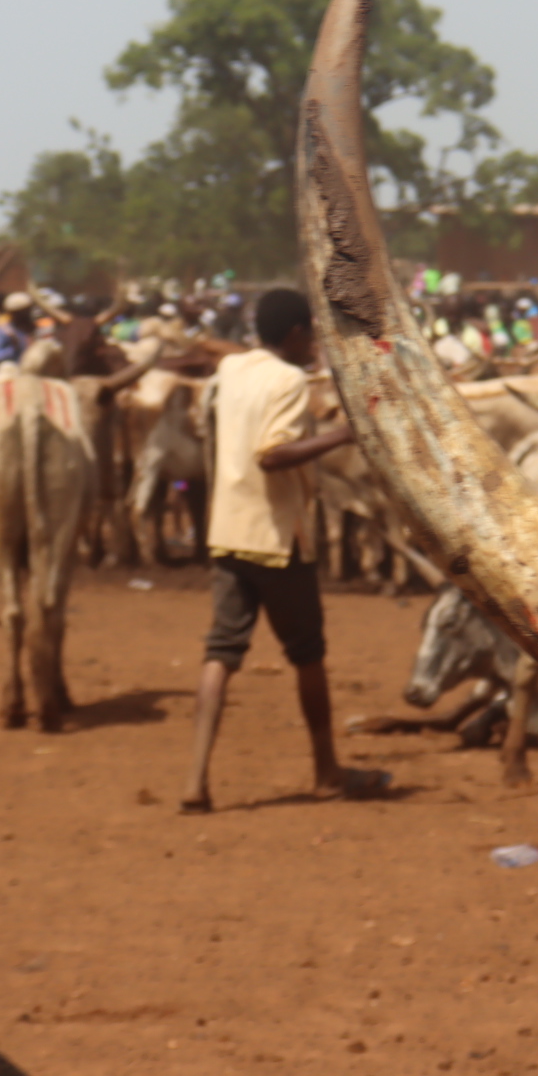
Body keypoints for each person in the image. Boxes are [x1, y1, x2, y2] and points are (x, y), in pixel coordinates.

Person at [181, 289, 382, 810]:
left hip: (227, 531)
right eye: (311, 334)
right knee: (307, 654)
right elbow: (272, 456)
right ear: (294, 334)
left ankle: (195, 781)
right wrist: (346, 433)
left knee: (220, 653)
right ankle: (326, 771)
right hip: (275, 537)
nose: (314, 343)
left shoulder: (233, 369)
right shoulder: (288, 380)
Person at [0, 293, 38, 376]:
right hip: (3, 380)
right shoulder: (0, 332)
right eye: (23, 312)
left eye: (28, 310)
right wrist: (14, 348)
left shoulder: (30, 330)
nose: (27, 314)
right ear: (13, 313)